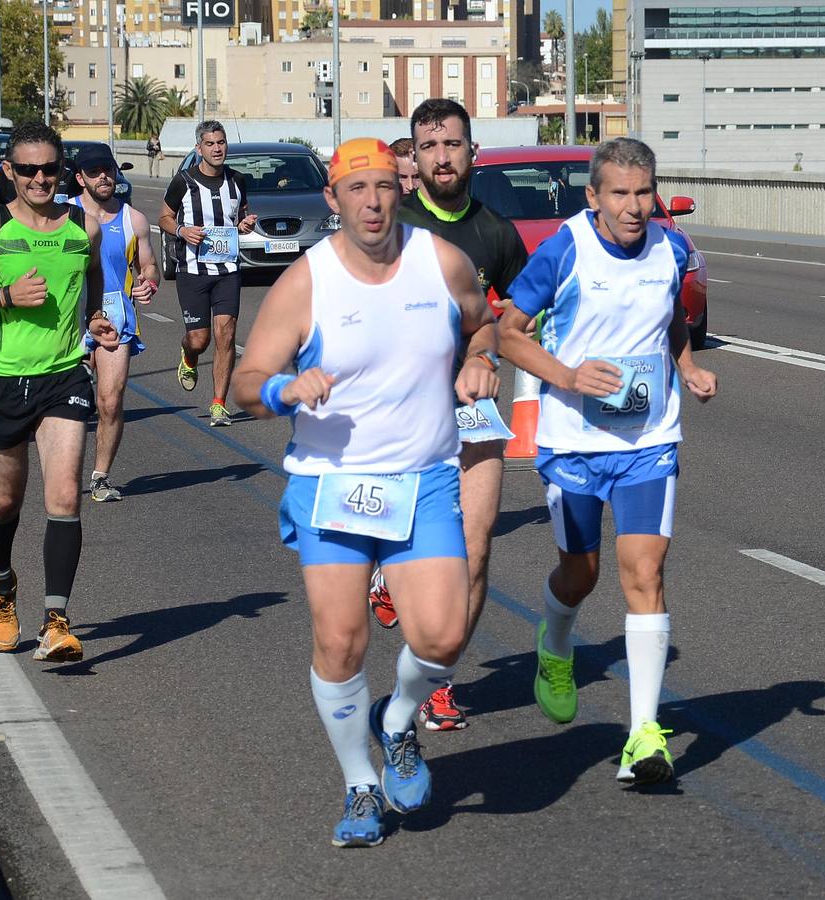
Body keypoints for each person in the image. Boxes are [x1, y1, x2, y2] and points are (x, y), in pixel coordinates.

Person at [232, 137, 498, 848]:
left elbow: (482, 326)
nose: (373, 201)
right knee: (341, 642)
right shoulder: (306, 281)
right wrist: (284, 389)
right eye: (357, 189)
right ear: (333, 200)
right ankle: (358, 784)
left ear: (400, 190)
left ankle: (397, 719)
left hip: (423, 476)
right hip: (332, 485)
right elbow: (243, 381)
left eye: (384, 186)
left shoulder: (441, 263)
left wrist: (479, 361)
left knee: (442, 635)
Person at [497, 137, 718, 786]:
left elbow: (669, 320)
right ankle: (555, 642)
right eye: (618, 193)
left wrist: (687, 366)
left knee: (644, 572)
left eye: (643, 192)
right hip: (573, 442)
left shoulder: (670, 248)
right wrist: (566, 375)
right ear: (592, 197)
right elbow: (510, 332)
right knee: (581, 572)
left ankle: (643, 733)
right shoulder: (565, 249)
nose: (632, 206)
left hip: (648, 439)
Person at [364, 99, 530, 732]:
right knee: (418, 550)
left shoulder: (495, 230)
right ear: (414, 156)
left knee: (475, 551)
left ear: (472, 152)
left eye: (452, 145)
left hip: (473, 409)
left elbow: (518, 306)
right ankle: (388, 573)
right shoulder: (390, 226)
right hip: (402, 412)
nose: (441, 157)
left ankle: (438, 680)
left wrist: (500, 338)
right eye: (429, 146)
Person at [0, 122, 113, 663]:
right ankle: (1, 586)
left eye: (50, 168)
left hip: (63, 375)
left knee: (64, 498)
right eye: (29, 169)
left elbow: (93, 284)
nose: (41, 178)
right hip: (0, 378)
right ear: (9, 172)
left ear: (63, 171)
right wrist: (6, 297)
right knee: (5, 498)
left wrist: (98, 319)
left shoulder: (84, 224)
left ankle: (57, 622)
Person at [67, 143, 159, 501]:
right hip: (70, 316)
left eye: (107, 169)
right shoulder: (65, 215)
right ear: (80, 178)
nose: (103, 176)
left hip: (116, 315)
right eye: (93, 171)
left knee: (110, 400)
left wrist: (148, 282)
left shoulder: (133, 219)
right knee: (67, 403)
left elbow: (149, 266)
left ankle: (100, 478)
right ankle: (64, 469)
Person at [158, 120, 257, 426]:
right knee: (200, 340)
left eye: (221, 142)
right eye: (211, 144)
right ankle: (189, 356)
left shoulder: (238, 180)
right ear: (198, 148)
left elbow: (238, 217)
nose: (217, 148)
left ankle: (218, 403)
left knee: (225, 335)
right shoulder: (183, 182)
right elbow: (163, 217)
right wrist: (181, 230)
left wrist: (244, 226)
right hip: (192, 270)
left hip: (228, 269)